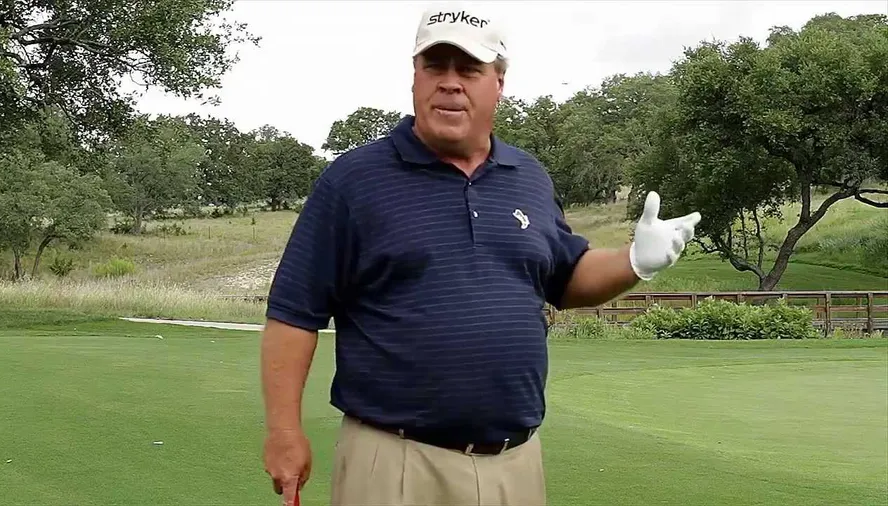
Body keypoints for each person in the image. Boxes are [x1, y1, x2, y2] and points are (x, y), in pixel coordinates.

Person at [261, 3, 701, 505]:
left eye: (469, 69)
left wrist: (633, 261)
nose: (450, 83)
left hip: (515, 464)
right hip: (394, 462)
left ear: (498, 83)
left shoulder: (528, 176)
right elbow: (294, 313)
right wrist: (284, 432)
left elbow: (566, 278)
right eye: (435, 66)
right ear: (415, 77)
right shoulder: (354, 180)